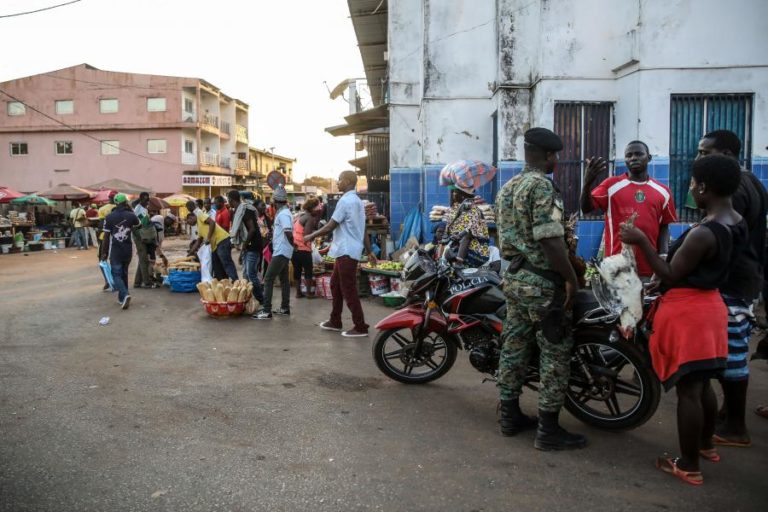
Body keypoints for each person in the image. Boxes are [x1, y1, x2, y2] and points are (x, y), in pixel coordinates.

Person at [620, 154, 746, 486]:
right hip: (711, 307)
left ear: (704, 187)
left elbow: (671, 273)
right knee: (702, 382)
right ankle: (705, 445)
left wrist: (641, 241)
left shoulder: (706, 232)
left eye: (692, 184)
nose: (690, 189)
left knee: (689, 390)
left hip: (689, 311)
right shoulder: (735, 220)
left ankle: (687, 464)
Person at [495, 127, 585, 451]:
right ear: (548, 155)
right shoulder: (542, 186)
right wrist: (571, 279)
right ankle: (548, 430)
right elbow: (550, 238)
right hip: (542, 284)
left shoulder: (508, 187)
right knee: (555, 352)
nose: (556, 161)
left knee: (514, 346)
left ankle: (509, 416)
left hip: (515, 279)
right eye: (555, 156)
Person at [696, 130, 768, 448]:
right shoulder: (751, 179)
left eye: (704, 152)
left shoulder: (731, 192)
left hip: (733, 281)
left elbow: (723, 242)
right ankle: (729, 413)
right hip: (748, 277)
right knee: (731, 350)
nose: (699, 159)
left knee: (733, 355)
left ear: (725, 154)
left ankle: (736, 426)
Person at [580, 141, 677, 278]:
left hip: (650, 269)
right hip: (617, 270)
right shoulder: (611, 185)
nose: (633, 158)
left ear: (648, 158)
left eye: (638, 154)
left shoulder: (663, 191)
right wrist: (587, 183)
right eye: (629, 155)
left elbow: (664, 226)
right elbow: (586, 208)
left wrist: (663, 256)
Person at [304, 171, 377, 337]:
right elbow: (363, 229)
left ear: (348, 181)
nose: (338, 182)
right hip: (347, 251)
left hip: (346, 251)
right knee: (335, 285)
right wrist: (370, 251)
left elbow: (330, 226)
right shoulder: (358, 201)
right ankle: (335, 320)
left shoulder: (345, 201)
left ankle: (360, 326)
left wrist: (311, 235)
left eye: (340, 179)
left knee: (348, 289)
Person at [254, 186, 293, 319]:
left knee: (268, 278)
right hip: (282, 250)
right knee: (284, 280)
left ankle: (266, 310)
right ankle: (285, 307)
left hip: (281, 251)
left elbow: (288, 232)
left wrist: (294, 246)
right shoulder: (284, 213)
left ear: (275, 201)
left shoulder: (283, 214)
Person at [100, 194, 140, 310]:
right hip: (128, 250)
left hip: (116, 250)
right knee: (124, 273)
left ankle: (125, 294)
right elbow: (139, 225)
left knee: (116, 274)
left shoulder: (109, 217)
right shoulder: (131, 216)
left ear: (115, 203)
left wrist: (104, 252)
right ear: (125, 202)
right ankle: (122, 298)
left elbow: (106, 237)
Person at [185, 200, 238, 281]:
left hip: (222, 240)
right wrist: (190, 253)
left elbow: (212, 222)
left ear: (191, 217)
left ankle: (235, 280)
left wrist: (208, 238)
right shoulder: (199, 228)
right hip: (215, 245)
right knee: (216, 265)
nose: (189, 224)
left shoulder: (200, 215)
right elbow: (198, 241)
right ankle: (222, 282)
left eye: (188, 222)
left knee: (226, 262)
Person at [227, 190, 264, 304]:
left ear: (232, 200)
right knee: (246, 274)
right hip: (249, 245)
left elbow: (252, 229)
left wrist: (244, 245)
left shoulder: (245, 210)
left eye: (229, 200)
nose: (229, 203)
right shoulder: (240, 210)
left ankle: (262, 300)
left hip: (253, 244)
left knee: (251, 274)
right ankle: (248, 298)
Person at [444, 186, 490, 267]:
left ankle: (459, 262)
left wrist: (459, 235)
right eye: (453, 192)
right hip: (458, 242)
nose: (453, 194)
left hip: (476, 245)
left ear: (463, 195)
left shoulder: (473, 209)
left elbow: (471, 228)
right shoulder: (457, 208)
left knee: (466, 236)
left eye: (456, 192)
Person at [292, 197, 321, 298]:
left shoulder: (301, 216)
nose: (319, 209)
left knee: (297, 271)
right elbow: (307, 235)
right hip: (304, 249)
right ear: (312, 208)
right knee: (308, 270)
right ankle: (309, 293)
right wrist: (315, 235)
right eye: (318, 207)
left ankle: (298, 293)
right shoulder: (309, 218)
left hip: (295, 249)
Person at [132, 192, 155, 288]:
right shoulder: (137, 209)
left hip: (144, 236)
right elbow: (134, 225)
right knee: (144, 259)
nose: (147, 201)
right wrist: (140, 237)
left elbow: (145, 223)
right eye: (145, 199)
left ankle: (137, 282)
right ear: (141, 199)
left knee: (143, 258)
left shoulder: (145, 209)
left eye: (148, 199)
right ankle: (147, 282)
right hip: (139, 237)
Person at [97, 192, 118, 291]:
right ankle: (117, 281)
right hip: (118, 238)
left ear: (109, 197)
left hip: (104, 237)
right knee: (116, 260)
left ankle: (107, 281)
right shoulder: (123, 209)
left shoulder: (102, 209)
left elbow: (101, 226)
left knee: (102, 259)